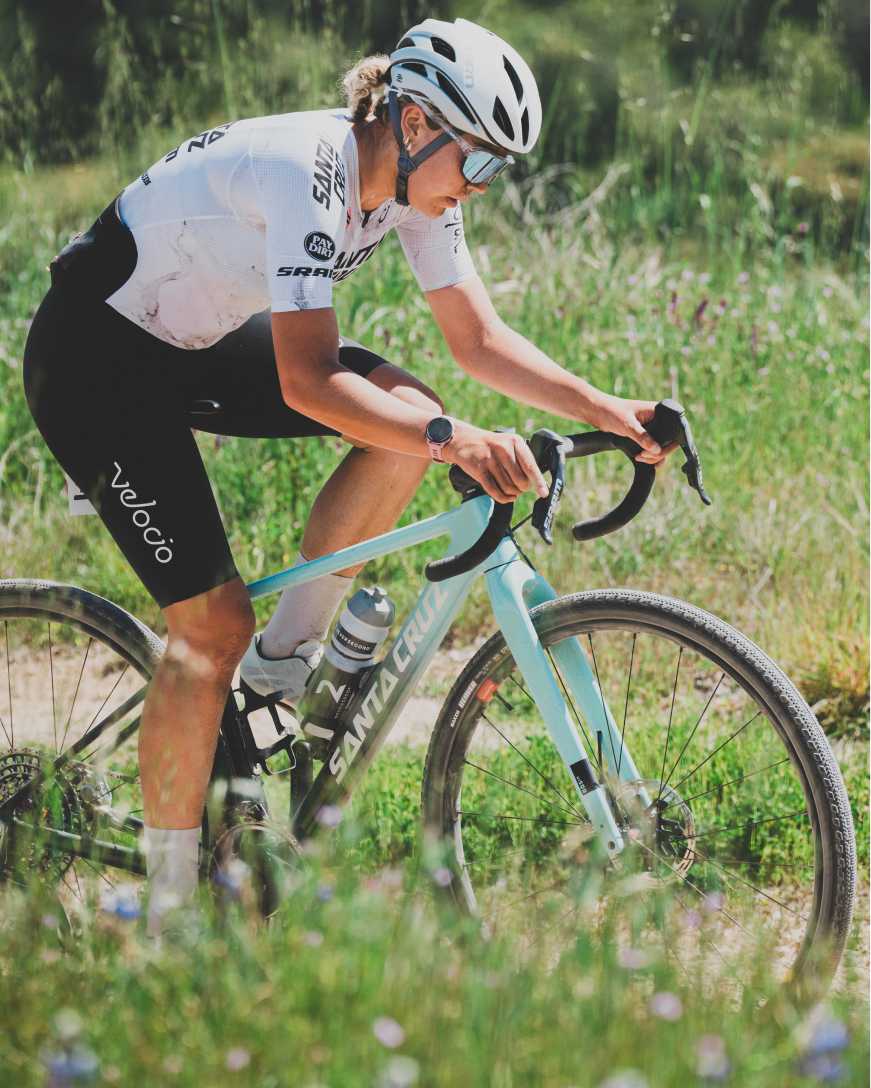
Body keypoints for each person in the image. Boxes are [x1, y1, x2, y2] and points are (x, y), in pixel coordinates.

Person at [23, 17, 672, 937]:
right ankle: (167, 926)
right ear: (412, 125)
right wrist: (454, 439)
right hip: (97, 359)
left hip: (188, 342)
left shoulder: (415, 190)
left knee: (407, 411)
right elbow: (306, 379)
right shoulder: (309, 169)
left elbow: (476, 340)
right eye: (476, 164)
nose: (477, 191)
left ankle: (277, 671)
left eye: (497, 171)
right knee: (207, 624)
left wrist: (605, 408)